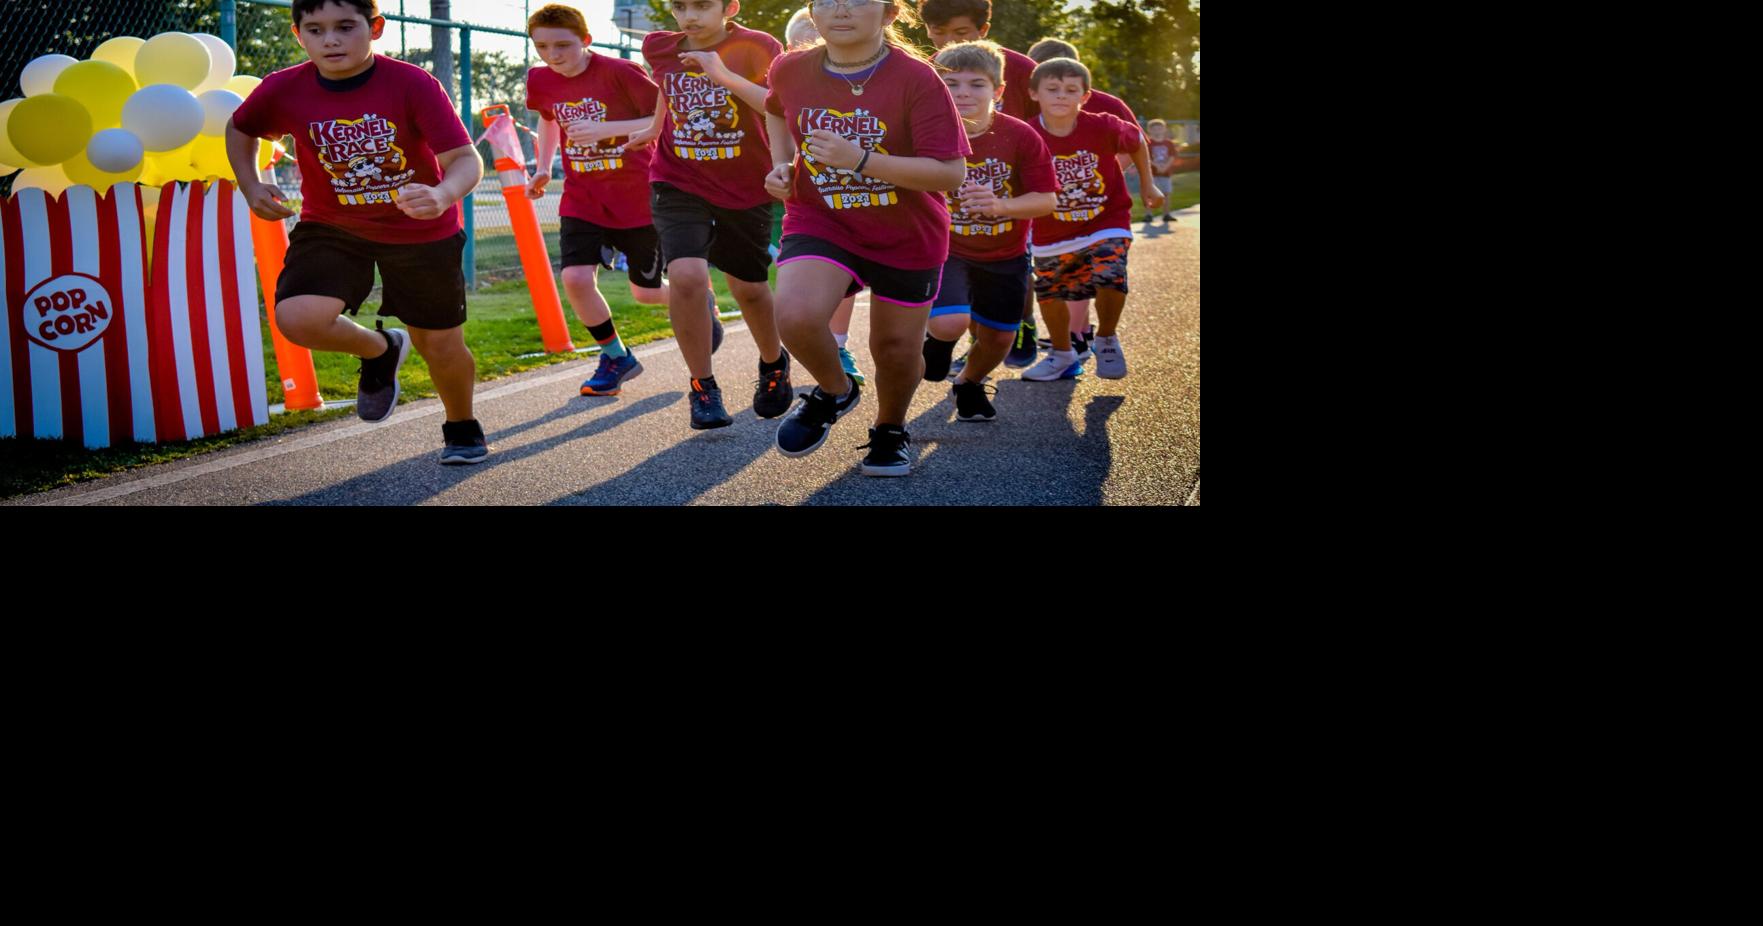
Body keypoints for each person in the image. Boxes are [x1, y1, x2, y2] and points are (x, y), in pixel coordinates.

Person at [227, 0, 490, 463]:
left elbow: (466, 160)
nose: (331, 40)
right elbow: (240, 127)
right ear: (298, 34)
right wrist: (250, 186)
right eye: (316, 29)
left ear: (375, 28)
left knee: (438, 342)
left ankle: (462, 426)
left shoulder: (411, 84)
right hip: (332, 226)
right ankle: (380, 350)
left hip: (420, 228)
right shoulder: (283, 89)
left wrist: (443, 195)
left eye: (346, 27)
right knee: (297, 318)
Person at [763, 0, 968, 476]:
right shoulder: (791, 69)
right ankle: (837, 391)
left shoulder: (918, 78)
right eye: (828, 0)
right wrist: (781, 163)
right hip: (822, 218)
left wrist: (860, 160)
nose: (841, 9)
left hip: (907, 232)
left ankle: (890, 430)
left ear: (890, 13)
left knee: (895, 349)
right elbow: (775, 111)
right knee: (794, 315)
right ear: (813, 12)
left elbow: (950, 172)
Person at [526, 3, 715, 397]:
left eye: (562, 45)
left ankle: (697, 300)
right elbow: (548, 118)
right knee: (575, 278)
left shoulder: (621, 72)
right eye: (542, 47)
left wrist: (604, 129)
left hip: (638, 196)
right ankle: (616, 356)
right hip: (583, 197)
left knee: (645, 293)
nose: (553, 55)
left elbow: (664, 117)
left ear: (586, 41)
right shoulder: (540, 79)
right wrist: (544, 166)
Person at [635, 0, 792, 429]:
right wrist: (653, 128)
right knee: (686, 276)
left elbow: (775, 107)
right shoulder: (658, 46)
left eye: (702, 5)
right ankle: (703, 386)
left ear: (730, 7)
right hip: (677, 179)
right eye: (679, 6)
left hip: (745, 184)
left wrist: (784, 165)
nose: (689, 16)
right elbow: (668, 92)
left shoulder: (758, 45)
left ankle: (774, 363)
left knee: (750, 290)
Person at [923, 40, 1056, 423]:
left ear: (998, 91)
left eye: (976, 84)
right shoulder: (924, 134)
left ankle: (969, 382)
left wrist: (1001, 206)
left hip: (1006, 253)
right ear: (936, 89)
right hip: (946, 248)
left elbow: (1046, 200)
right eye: (951, 84)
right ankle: (937, 341)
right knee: (951, 321)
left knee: (999, 337)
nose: (963, 92)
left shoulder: (1020, 135)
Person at [1022, 56, 1163, 382]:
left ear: (1085, 96)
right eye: (1052, 89)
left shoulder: (1102, 124)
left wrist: (1147, 182)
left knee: (1110, 273)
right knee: (1051, 291)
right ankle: (1061, 353)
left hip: (1106, 218)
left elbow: (1137, 140)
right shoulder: (1026, 133)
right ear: (1034, 93)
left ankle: (1107, 338)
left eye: (1071, 90)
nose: (1061, 96)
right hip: (1051, 227)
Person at [783, 6, 865, 388]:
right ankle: (834, 347)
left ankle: (839, 342)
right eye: (801, 48)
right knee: (821, 277)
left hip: (868, 196)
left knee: (857, 282)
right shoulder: (786, 82)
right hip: (812, 201)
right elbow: (770, 113)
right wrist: (778, 165)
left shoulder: (855, 84)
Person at [1146, 118, 1177, 224]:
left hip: (1166, 173)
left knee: (1166, 193)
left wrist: (1165, 167)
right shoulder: (1148, 143)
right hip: (1152, 174)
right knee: (1150, 194)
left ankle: (1166, 214)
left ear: (1164, 129)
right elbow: (1146, 158)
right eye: (1154, 129)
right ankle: (1149, 214)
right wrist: (1157, 166)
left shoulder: (1169, 143)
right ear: (1150, 130)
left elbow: (1172, 156)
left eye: (1160, 128)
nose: (1157, 131)